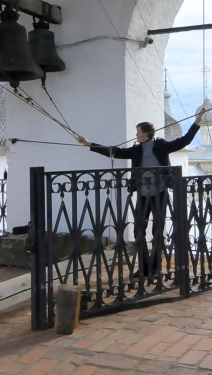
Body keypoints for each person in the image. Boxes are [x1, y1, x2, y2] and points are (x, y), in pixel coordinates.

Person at [76, 111, 204, 277]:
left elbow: (185, 140)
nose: (136, 135)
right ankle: (144, 268)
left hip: (160, 193)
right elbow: (115, 152)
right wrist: (89, 144)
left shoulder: (162, 146)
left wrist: (197, 122)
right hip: (143, 194)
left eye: (138, 132)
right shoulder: (136, 150)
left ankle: (156, 268)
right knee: (138, 231)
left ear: (144, 134)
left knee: (158, 230)